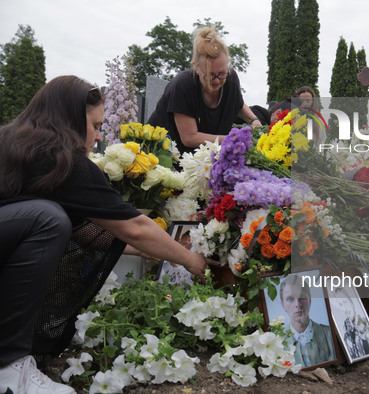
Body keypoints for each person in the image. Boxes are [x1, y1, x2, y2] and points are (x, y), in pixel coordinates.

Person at [0, 76, 214, 393]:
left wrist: (136, 250)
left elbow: (72, 232)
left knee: (51, 219)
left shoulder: (19, 142)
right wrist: (192, 260)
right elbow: (133, 227)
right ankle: (8, 369)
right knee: (48, 219)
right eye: (96, 125)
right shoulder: (60, 157)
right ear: (71, 119)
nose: (99, 136)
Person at [147, 27, 262, 156]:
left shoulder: (231, 78)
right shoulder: (183, 86)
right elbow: (189, 138)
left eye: (222, 73)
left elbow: (238, 104)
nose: (217, 81)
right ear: (196, 67)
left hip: (201, 155)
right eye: (210, 75)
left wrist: (254, 120)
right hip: (161, 152)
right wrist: (233, 139)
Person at [279, 274, 335, 367]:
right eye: (290, 299)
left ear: (310, 299)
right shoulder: (278, 343)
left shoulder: (329, 334)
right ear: (283, 305)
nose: (298, 304)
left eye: (302, 297)